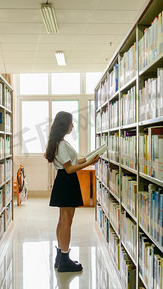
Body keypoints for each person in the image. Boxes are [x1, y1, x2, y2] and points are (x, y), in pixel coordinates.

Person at [44, 111, 100, 272]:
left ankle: (61, 257)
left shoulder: (60, 143)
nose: (73, 125)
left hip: (64, 181)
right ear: (64, 125)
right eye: (71, 123)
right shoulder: (61, 144)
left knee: (63, 220)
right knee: (66, 221)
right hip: (67, 181)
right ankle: (64, 259)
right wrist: (89, 163)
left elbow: (72, 161)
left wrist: (90, 159)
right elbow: (69, 169)